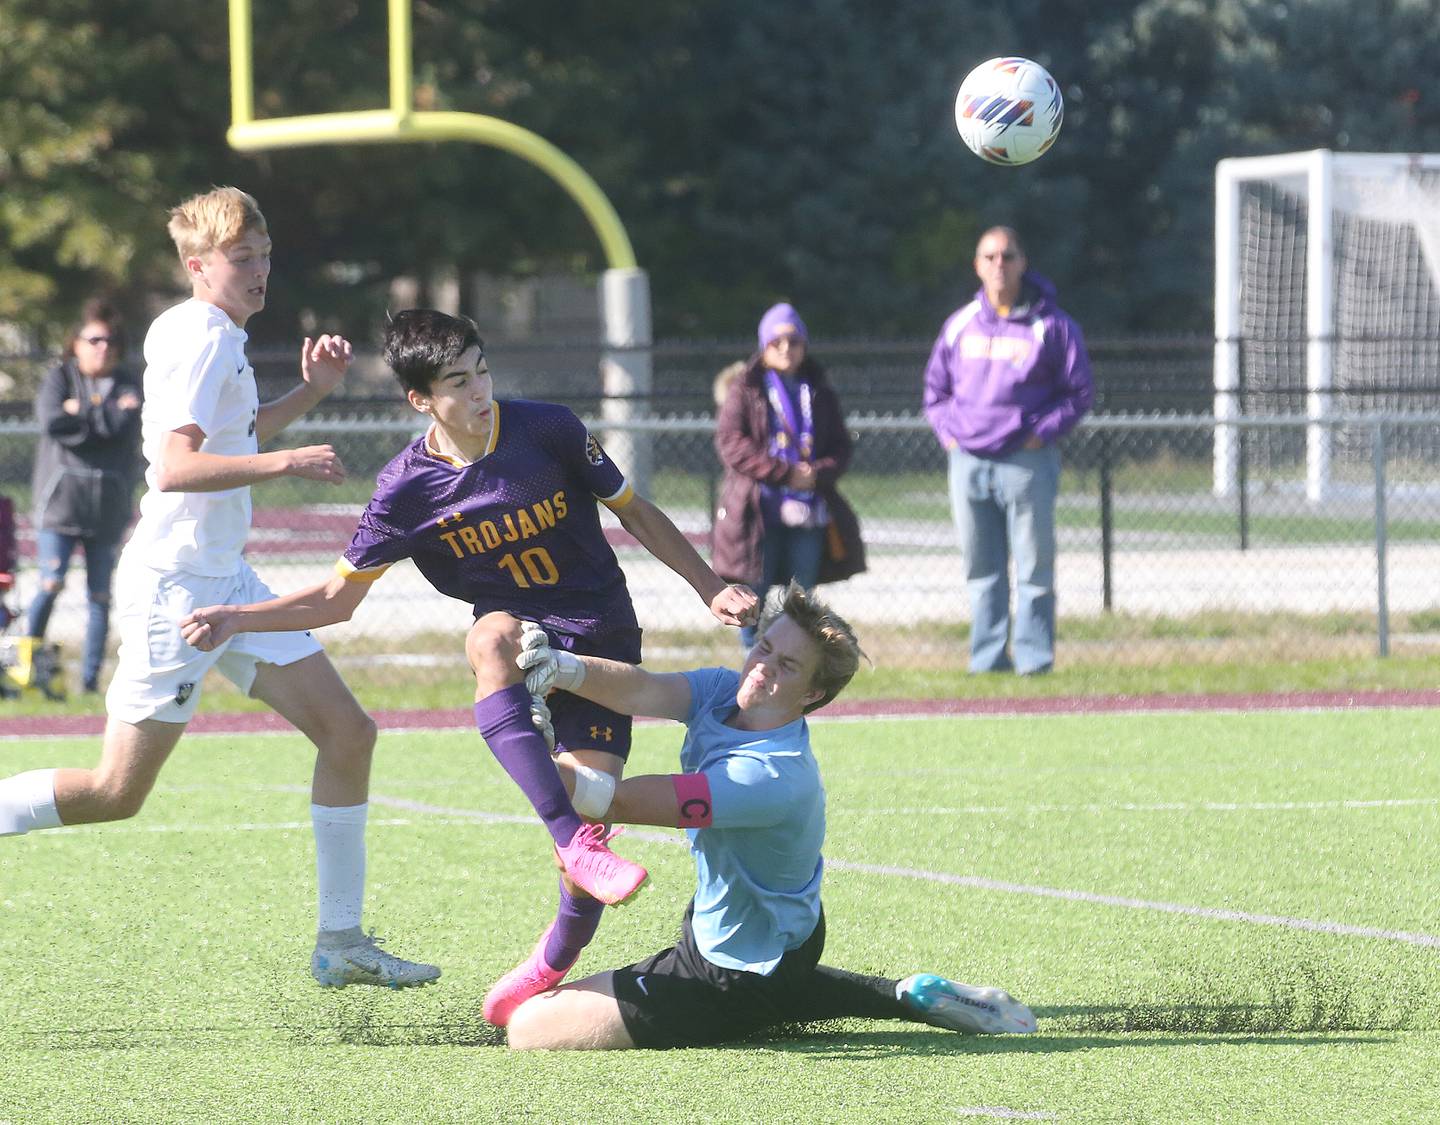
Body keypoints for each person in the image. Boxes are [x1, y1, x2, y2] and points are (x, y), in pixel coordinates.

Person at [176, 308, 759, 1024]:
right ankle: (572, 840)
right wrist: (239, 617)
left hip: (601, 637)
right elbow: (335, 598)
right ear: (420, 398)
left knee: (596, 802)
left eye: (482, 369)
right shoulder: (407, 487)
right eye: (458, 380)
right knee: (489, 639)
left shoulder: (548, 428)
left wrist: (710, 586)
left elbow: (635, 512)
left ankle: (553, 956)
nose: (480, 389)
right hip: (515, 636)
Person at [0, 186, 437, 990]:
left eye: (265, 256)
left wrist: (309, 397)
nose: (260, 271)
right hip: (179, 593)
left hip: (224, 580)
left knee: (348, 733)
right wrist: (288, 462)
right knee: (113, 791)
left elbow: (230, 434)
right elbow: (173, 468)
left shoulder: (210, 332)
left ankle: (341, 939)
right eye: (243, 259)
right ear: (199, 266)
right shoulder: (202, 338)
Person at [501, 581, 1037, 1048]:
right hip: (787, 937)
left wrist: (524, 750)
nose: (762, 668)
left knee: (529, 1027)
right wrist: (564, 669)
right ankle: (904, 996)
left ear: (814, 693)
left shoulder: (768, 777)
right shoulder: (721, 693)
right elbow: (642, 688)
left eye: (787, 666)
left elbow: (617, 801)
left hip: (728, 970)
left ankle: (786, 1002)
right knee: (783, 983)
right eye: (763, 648)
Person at [922, 226, 1094, 676]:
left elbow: (1078, 393)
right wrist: (950, 435)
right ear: (977, 265)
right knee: (982, 569)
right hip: (969, 462)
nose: (1000, 264)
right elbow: (935, 391)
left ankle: (1035, 661)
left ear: (1023, 263)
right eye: (990, 256)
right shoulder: (960, 324)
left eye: (1009, 256)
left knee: (1035, 568)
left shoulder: (1052, 325)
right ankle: (987, 660)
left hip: (1026, 461)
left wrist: (1042, 433)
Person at [712, 303, 865, 649]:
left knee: (801, 597)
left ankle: (791, 663)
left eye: (794, 341)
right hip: (758, 513)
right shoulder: (745, 388)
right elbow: (732, 444)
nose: (786, 348)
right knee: (754, 596)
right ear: (763, 345)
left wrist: (816, 474)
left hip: (808, 512)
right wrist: (785, 474)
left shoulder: (819, 390)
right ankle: (752, 666)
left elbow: (840, 446)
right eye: (776, 341)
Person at [26, 299, 144, 693]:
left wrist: (85, 413)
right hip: (61, 505)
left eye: (109, 341)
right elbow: (53, 421)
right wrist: (105, 413)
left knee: (99, 595)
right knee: (51, 583)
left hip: (107, 509)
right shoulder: (59, 378)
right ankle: (28, 665)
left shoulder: (129, 381)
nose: (102, 348)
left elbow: (123, 428)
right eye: (93, 339)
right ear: (75, 343)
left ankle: (90, 682)